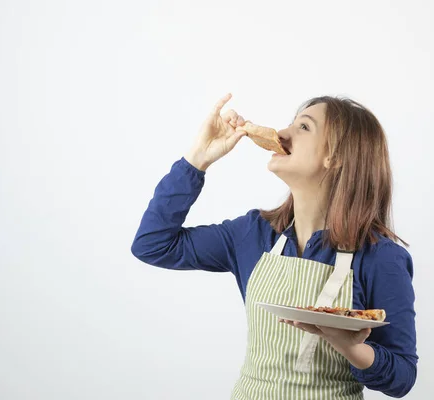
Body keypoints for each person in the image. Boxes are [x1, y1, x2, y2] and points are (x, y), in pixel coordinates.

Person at [131, 93, 418, 399]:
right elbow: (153, 244)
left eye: (304, 127)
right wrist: (197, 159)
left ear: (337, 157)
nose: (281, 134)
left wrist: (351, 347)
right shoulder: (253, 234)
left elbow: (401, 377)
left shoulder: (381, 258)